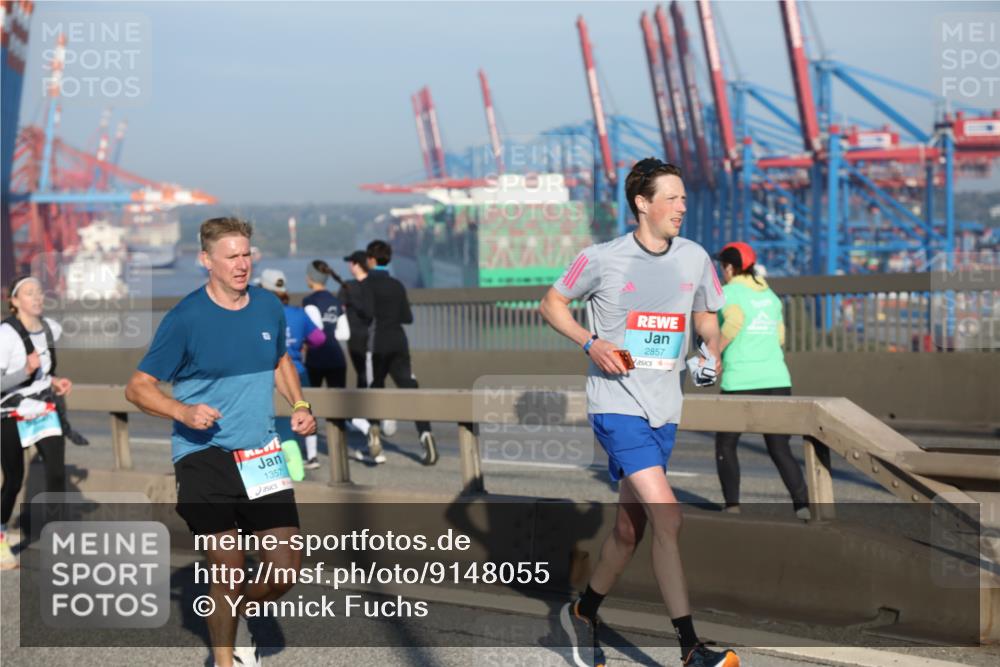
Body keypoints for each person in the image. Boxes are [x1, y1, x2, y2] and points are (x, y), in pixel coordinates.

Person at [539, 158, 739, 667]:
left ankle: (583, 611)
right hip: (616, 406)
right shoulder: (601, 258)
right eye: (671, 198)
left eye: (684, 198)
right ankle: (691, 648)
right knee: (668, 518)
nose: (682, 206)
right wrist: (592, 344)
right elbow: (551, 304)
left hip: (664, 408)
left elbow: (706, 318)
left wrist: (709, 349)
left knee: (630, 531)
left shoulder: (695, 257)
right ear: (642, 203)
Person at [125, 218, 316, 667]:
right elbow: (137, 387)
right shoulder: (185, 318)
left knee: (287, 567)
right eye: (231, 256)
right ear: (206, 260)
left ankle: (235, 613)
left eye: (247, 254)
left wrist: (300, 403)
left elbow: (280, 360)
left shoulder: (268, 306)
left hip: (262, 452)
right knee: (227, 569)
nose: (242, 264)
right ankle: (225, 659)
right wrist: (182, 411)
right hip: (204, 454)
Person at [714, 242, 810, 520]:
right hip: (778, 379)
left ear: (730, 268)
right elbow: (780, 337)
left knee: (726, 443)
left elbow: (733, 322)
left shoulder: (729, 292)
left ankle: (732, 506)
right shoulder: (769, 295)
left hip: (741, 380)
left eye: (723, 268)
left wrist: (713, 354)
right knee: (779, 447)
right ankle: (801, 505)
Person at [0, 275, 73, 571]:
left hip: (42, 410)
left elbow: (43, 375)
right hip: (9, 413)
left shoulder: (50, 329)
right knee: (14, 478)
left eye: (39, 292)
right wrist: (23, 372)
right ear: (15, 302)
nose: (37, 297)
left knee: (57, 473)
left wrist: (55, 382)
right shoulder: (5, 335)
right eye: (29, 293)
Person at [354, 240, 436, 466]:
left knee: (375, 390)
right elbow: (407, 317)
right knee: (410, 389)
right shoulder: (397, 284)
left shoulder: (367, 284)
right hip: (399, 342)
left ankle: (374, 437)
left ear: (371, 260)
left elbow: (367, 313)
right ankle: (426, 435)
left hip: (377, 343)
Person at [259, 268, 326, 472]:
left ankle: (292, 474)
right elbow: (319, 339)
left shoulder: (260, 316)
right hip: (299, 373)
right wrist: (302, 345)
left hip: (273, 377)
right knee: (301, 419)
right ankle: (307, 462)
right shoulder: (298, 314)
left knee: (279, 429)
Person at [301, 260, 348, 469]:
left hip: (317, 358)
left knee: (309, 406)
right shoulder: (336, 301)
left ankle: (312, 456)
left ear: (311, 278)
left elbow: (314, 333)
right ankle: (342, 451)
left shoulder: (309, 301)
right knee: (338, 405)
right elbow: (344, 333)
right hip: (337, 357)